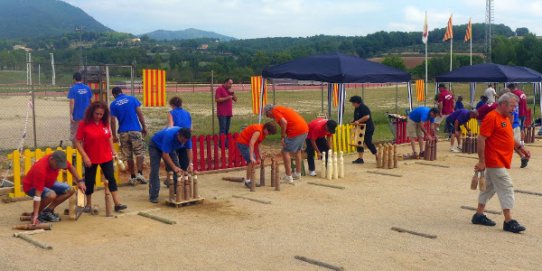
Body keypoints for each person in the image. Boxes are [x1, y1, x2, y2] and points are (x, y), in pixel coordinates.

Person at [471, 92, 530, 233]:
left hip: (500, 160)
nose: (514, 109)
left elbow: (509, 137)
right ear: (503, 104)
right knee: (506, 187)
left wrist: (521, 148)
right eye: (512, 106)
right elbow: (481, 139)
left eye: (515, 107)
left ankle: (478, 215)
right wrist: (481, 161)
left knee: (489, 187)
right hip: (494, 160)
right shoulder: (492, 117)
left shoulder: (506, 118)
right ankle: (508, 221)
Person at [75, 101, 127, 212]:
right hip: (90, 158)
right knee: (89, 181)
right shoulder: (83, 124)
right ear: (91, 112)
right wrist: (85, 156)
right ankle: (88, 204)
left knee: (111, 179)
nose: (98, 116)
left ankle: (117, 203)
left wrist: (113, 151)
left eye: (101, 114)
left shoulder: (105, 123)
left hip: (106, 156)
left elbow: (109, 137)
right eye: (96, 114)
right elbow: (77, 142)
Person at [23, 150, 86, 224]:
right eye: (57, 165)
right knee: (51, 195)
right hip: (31, 186)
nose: (59, 167)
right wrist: (35, 215)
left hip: (49, 183)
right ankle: (36, 215)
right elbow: (38, 195)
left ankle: (48, 211)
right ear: (51, 159)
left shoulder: (59, 159)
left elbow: (71, 167)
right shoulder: (40, 169)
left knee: (70, 190)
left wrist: (80, 181)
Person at [110, 87, 148, 186]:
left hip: (123, 132)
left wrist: (114, 135)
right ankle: (140, 173)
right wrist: (144, 127)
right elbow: (140, 113)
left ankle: (132, 176)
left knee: (128, 155)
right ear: (122, 92)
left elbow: (112, 121)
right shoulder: (132, 99)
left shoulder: (113, 104)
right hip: (135, 129)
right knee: (139, 151)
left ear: (114, 95)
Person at [264, 104, 308, 184]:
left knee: (285, 151)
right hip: (304, 128)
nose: (269, 117)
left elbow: (284, 122)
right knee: (297, 151)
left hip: (296, 130)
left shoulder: (275, 111)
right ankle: (298, 173)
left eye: (267, 115)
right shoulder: (280, 109)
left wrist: (283, 137)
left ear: (269, 111)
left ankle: (288, 176)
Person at [148, 127, 193, 203]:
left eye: (185, 141)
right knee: (155, 170)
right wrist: (173, 167)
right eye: (182, 140)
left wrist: (190, 163)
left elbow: (189, 150)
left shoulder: (186, 138)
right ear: (178, 135)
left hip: (170, 148)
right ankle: (153, 195)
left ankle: (176, 192)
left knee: (177, 169)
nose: (183, 143)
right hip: (155, 145)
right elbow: (165, 154)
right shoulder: (169, 136)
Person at [236, 122, 277, 188]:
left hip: (247, 143)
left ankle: (250, 180)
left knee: (253, 160)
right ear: (266, 129)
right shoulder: (258, 131)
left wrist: (259, 154)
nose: (269, 134)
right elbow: (252, 143)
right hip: (242, 143)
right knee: (251, 160)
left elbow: (258, 144)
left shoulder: (263, 133)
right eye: (269, 133)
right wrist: (251, 156)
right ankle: (248, 181)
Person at [166, 96, 193, 186]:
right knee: (184, 159)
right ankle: (185, 179)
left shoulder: (171, 113)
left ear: (172, 105)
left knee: (172, 160)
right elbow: (191, 128)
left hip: (176, 138)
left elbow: (171, 126)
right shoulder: (187, 113)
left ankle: (171, 179)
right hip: (186, 137)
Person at [349, 96, 377, 164]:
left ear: (356, 102)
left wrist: (358, 121)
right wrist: (353, 121)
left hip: (368, 128)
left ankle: (377, 155)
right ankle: (360, 159)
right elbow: (358, 117)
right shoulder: (356, 108)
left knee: (368, 142)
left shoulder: (364, 108)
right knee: (359, 142)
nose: (352, 104)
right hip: (360, 128)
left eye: (353, 103)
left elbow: (367, 116)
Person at [68, 72, 93, 146]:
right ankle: (85, 148)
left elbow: (72, 101)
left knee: (75, 133)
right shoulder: (87, 88)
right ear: (81, 79)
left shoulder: (73, 88)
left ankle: (75, 151)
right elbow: (92, 100)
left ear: (74, 79)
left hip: (77, 115)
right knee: (86, 132)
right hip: (87, 115)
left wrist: (71, 114)